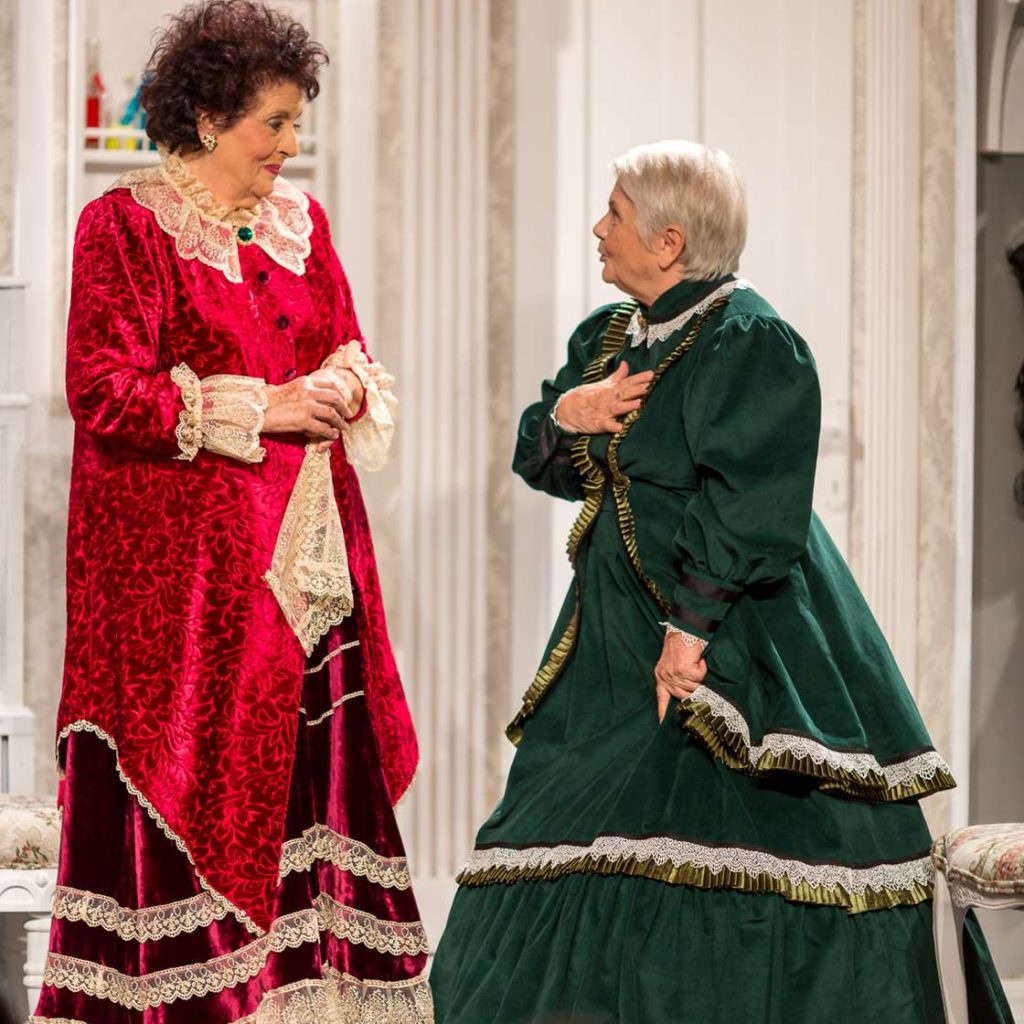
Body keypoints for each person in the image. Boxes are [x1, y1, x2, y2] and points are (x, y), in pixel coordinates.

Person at [429, 140, 1011, 1023]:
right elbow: (547, 464)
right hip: (611, 634)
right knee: (566, 819)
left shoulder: (749, 340)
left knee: (731, 821)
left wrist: (689, 632)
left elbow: (752, 502)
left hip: (735, 627)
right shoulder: (610, 339)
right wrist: (567, 414)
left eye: (616, 213)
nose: (598, 228)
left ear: (669, 242)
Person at [33, 3, 433, 1022]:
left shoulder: (305, 223)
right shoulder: (125, 226)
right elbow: (103, 390)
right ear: (210, 118)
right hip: (186, 593)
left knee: (311, 789)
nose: (291, 144)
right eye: (274, 122)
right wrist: (264, 407)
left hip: (302, 567)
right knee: (196, 785)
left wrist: (343, 384)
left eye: (298, 121)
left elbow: (347, 344)